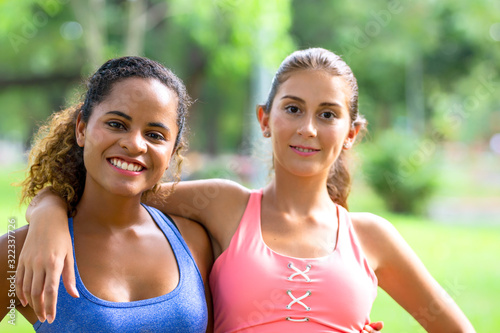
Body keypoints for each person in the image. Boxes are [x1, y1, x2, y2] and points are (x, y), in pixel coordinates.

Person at [16, 48, 473, 332]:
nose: (308, 128)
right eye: (292, 108)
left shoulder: (371, 237)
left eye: (328, 114)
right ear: (265, 119)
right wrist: (49, 207)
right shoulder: (221, 205)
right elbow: (125, 185)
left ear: (352, 133)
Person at [0, 56, 213, 332]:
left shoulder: (194, 241)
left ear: (173, 152)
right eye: (116, 124)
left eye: (155, 135)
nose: (134, 144)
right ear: (82, 129)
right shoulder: (23, 250)